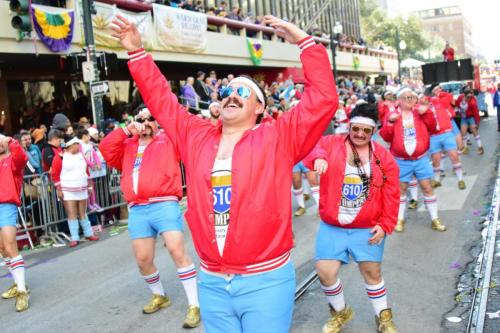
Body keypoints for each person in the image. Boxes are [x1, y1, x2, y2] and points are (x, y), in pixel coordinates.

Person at [111, 14, 337, 332]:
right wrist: (137, 52)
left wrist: (305, 43)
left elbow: (323, 99)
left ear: (259, 107)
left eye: (243, 92)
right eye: (228, 90)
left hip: (265, 280)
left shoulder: (278, 136)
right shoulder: (196, 135)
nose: (232, 94)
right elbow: (162, 102)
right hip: (213, 283)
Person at [99, 106, 201, 327]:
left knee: (176, 249)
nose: (145, 122)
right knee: (143, 260)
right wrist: (126, 131)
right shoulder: (127, 145)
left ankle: (194, 304)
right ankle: (159, 295)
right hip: (138, 209)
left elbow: (190, 136)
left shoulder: (168, 140)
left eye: (150, 118)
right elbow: (105, 148)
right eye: (140, 118)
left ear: (157, 122)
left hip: (164, 203)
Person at [304, 103, 399, 333]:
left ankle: (383, 317)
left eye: (365, 131)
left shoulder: (383, 158)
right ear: (349, 126)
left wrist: (386, 225)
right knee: (325, 271)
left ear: (373, 131)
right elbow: (311, 146)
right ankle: (340, 312)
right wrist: (318, 157)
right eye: (355, 128)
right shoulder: (332, 143)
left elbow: (392, 193)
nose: (359, 134)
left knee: (372, 273)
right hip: (333, 225)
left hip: (366, 227)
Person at [379, 88, 446, 233]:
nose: (409, 100)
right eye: (406, 97)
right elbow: (385, 136)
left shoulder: (420, 112)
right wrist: (390, 123)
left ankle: (435, 219)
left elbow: (433, 128)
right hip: (401, 160)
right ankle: (399, 219)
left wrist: (427, 112)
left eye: (412, 97)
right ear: (398, 100)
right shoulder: (392, 115)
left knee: (427, 188)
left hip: (421, 159)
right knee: (401, 190)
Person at [51, 136, 99, 247]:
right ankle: (74, 237)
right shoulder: (60, 157)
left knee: (83, 212)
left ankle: (88, 233)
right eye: (77, 143)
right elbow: (55, 174)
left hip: (82, 187)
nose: (79, 145)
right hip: (68, 190)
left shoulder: (81, 155)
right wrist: (59, 189)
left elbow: (86, 172)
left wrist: (90, 187)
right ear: (70, 145)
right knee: (72, 213)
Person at [0, 134, 29, 312]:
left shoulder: (12, 160)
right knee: (3, 248)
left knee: (10, 245)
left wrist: (11, 140)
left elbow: (22, 158)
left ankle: (22, 290)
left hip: (7, 205)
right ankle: (17, 282)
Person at [427, 86, 465, 190]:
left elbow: (449, 98)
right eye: (436, 89)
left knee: (454, 155)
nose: (439, 90)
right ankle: (437, 180)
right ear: (431, 91)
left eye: (440, 88)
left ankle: (460, 180)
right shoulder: (428, 102)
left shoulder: (443, 99)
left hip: (446, 132)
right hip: (434, 136)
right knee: (435, 159)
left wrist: (440, 94)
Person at [77, 128, 104, 213]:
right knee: (87, 187)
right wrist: (92, 164)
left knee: (91, 187)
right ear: (84, 136)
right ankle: (88, 204)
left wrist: (98, 163)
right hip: (84, 169)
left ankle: (94, 202)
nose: (90, 137)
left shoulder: (90, 144)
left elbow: (95, 154)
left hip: (90, 169)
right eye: (88, 136)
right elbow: (82, 157)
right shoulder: (80, 145)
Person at [456, 87, 484, 155]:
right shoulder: (460, 97)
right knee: (463, 132)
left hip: (471, 117)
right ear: (464, 95)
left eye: (470, 95)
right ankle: (465, 148)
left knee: (474, 131)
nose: (469, 97)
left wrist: (477, 123)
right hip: (463, 118)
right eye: (468, 96)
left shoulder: (472, 101)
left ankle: (480, 147)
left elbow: (476, 113)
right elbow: (456, 104)